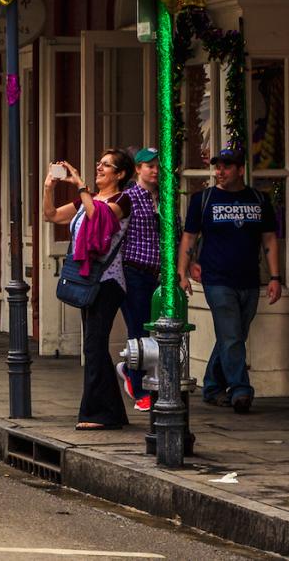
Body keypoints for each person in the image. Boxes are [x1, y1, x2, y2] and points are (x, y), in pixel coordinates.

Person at [179, 148, 282, 414]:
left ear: (240, 169)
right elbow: (189, 237)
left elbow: (269, 239)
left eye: (226, 167)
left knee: (232, 336)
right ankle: (240, 390)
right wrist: (183, 271)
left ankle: (213, 386)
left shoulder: (259, 199)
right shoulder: (204, 199)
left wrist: (275, 277)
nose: (219, 172)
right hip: (217, 279)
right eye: (217, 167)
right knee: (232, 336)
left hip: (249, 279)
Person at [42, 150, 134, 431]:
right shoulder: (87, 200)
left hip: (108, 283)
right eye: (100, 163)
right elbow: (52, 216)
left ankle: (98, 414)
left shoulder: (121, 200)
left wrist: (80, 184)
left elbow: (98, 219)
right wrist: (49, 188)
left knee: (94, 346)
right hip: (89, 280)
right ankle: (111, 413)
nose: (100, 167)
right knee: (94, 347)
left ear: (119, 174)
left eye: (106, 165)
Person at [115, 147, 161, 413]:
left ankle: (132, 372)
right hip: (133, 271)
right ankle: (139, 388)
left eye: (157, 166)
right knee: (139, 331)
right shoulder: (129, 197)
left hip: (159, 274)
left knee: (160, 333)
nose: (154, 170)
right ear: (138, 170)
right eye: (149, 166)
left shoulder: (165, 197)